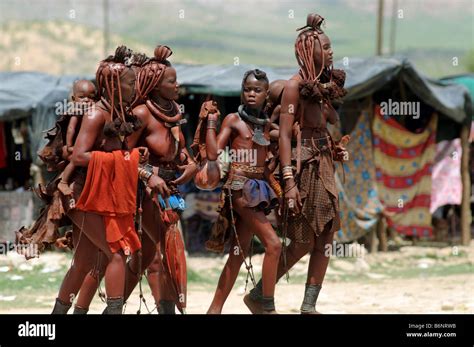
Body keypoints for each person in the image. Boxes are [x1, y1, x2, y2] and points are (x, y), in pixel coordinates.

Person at [244, 13, 349, 314]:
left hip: (323, 163)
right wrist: (288, 181)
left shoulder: (324, 86)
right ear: (308, 51)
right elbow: (286, 137)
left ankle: (309, 306)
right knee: (303, 240)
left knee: (327, 235)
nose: (330, 52)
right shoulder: (294, 87)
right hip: (303, 168)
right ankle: (260, 296)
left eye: (330, 47)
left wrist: (334, 149)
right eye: (325, 47)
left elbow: (321, 128)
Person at [205, 69, 281, 314]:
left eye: (257, 90)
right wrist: (211, 123)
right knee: (274, 244)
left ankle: (214, 310)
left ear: (266, 95)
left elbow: (267, 166)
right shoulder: (233, 120)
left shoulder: (267, 125)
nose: (251, 94)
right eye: (247, 89)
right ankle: (265, 305)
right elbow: (213, 153)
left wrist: (281, 188)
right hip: (239, 188)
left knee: (238, 253)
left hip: (259, 189)